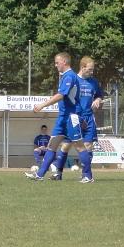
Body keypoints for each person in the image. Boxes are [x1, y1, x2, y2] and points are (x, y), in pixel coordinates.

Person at [25, 52, 90, 180]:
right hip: (63, 117)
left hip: (71, 117)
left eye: (57, 62)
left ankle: (88, 176)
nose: (55, 65)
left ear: (64, 62)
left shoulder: (69, 76)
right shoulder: (65, 76)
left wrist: (42, 105)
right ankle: (39, 175)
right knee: (52, 145)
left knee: (79, 146)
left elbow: (61, 95)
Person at [56, 56, 103, 183]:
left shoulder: (94, 82)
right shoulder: (73, 79)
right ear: (82, 67)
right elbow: (63, 96)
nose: (92, 72)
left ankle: (86, 175)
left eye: (93, 70)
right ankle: (58, 173)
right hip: (74, 117)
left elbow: (99, 95)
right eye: (90, 69)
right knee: (66, 145)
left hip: (88, 117)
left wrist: (97, 100)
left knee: (88, 146)